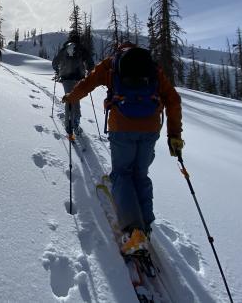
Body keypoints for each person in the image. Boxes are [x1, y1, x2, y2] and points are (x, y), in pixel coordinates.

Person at [62, 42, 184, 254]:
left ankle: (133, 232)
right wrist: (174, 135)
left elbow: (87, 83)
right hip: (151, 127)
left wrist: (70, 98)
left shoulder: (111, 63)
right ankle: (145, 227)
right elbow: (173, 100)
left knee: (122, 174)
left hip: (122, 125)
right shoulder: (152, 67)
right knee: (140, 175)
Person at [52, 35, 94, 135]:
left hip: (66, 78)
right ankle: (76, 123)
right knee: (76, 99)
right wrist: (89, 72)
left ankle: (68, 125)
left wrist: (58, 71)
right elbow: (90, 63)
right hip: (79, 78)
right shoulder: (81, 49)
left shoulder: (64, 49)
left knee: (68, 99)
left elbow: (54, 63)